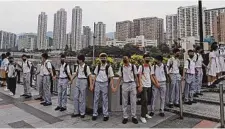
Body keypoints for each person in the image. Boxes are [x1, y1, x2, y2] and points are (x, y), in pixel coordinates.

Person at [115, 54, 139, 124]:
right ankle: (125, 117)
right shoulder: (122, 67)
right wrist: (116, 86)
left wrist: (138, 85)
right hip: (125, 84)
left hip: (132, 84)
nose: (125, 59)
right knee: (124, 102)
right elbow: (119, 77)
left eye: (126, 58)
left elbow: (136, 76)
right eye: (124, 58)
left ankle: (134, 116)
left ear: (129, 59)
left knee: (133, 101)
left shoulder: (133, 66)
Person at [92, 53, 114, 121]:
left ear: (106, 58)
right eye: (102, 58)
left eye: (104, 58)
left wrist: (112, 86)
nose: (103, 59)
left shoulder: (109, 67)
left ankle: (105, 114)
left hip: (105, 84)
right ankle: (94, 114)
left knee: (105, 100)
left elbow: (111, 77)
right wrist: (92, 85)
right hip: (98, 83)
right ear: (100, 58)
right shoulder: (98, 66)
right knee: (96, 99)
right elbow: (95, 76)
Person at [138, 53, 157, 123]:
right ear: (143, 59)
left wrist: (155, 83)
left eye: (148, 58)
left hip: (149, 85)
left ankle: (145, 113)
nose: (147, 59)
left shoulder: (150, 67)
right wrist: (140, 85)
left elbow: (151, 76)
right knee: (144, 100)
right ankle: (142, 116)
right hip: (143, 86)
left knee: (147, 100)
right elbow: (139, 77)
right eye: (146, 58)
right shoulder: (141, 67)